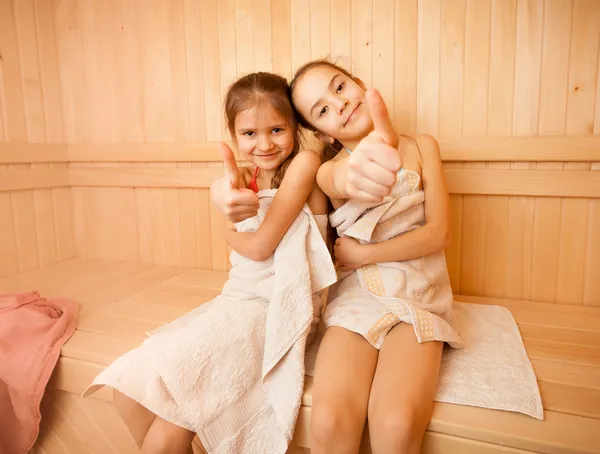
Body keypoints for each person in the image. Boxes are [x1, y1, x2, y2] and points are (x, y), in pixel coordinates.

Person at [92, 72, 329, 454]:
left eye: (276, 129)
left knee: (168, 431)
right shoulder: (249, 178)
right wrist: (227, 206)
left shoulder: (305, 164)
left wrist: (230, 232)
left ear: (294, 127)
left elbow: (260, 247)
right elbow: (246, 252)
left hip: (283, 309)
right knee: (128, 389)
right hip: (241, 299)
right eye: (249, 133)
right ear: (234, 135)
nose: (264, 143)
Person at [287, 59, 462, 454]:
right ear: (322, 132)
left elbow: (438, 233)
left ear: (359, 83)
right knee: (329, 421)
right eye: (323, 110)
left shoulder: (422, 146)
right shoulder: (328, 172)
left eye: (340, 87)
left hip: (419, 288)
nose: (340, 104)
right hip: (357, 294)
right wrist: (356, 172)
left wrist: (366, 253)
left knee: (395, 423)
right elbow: (342, 179)